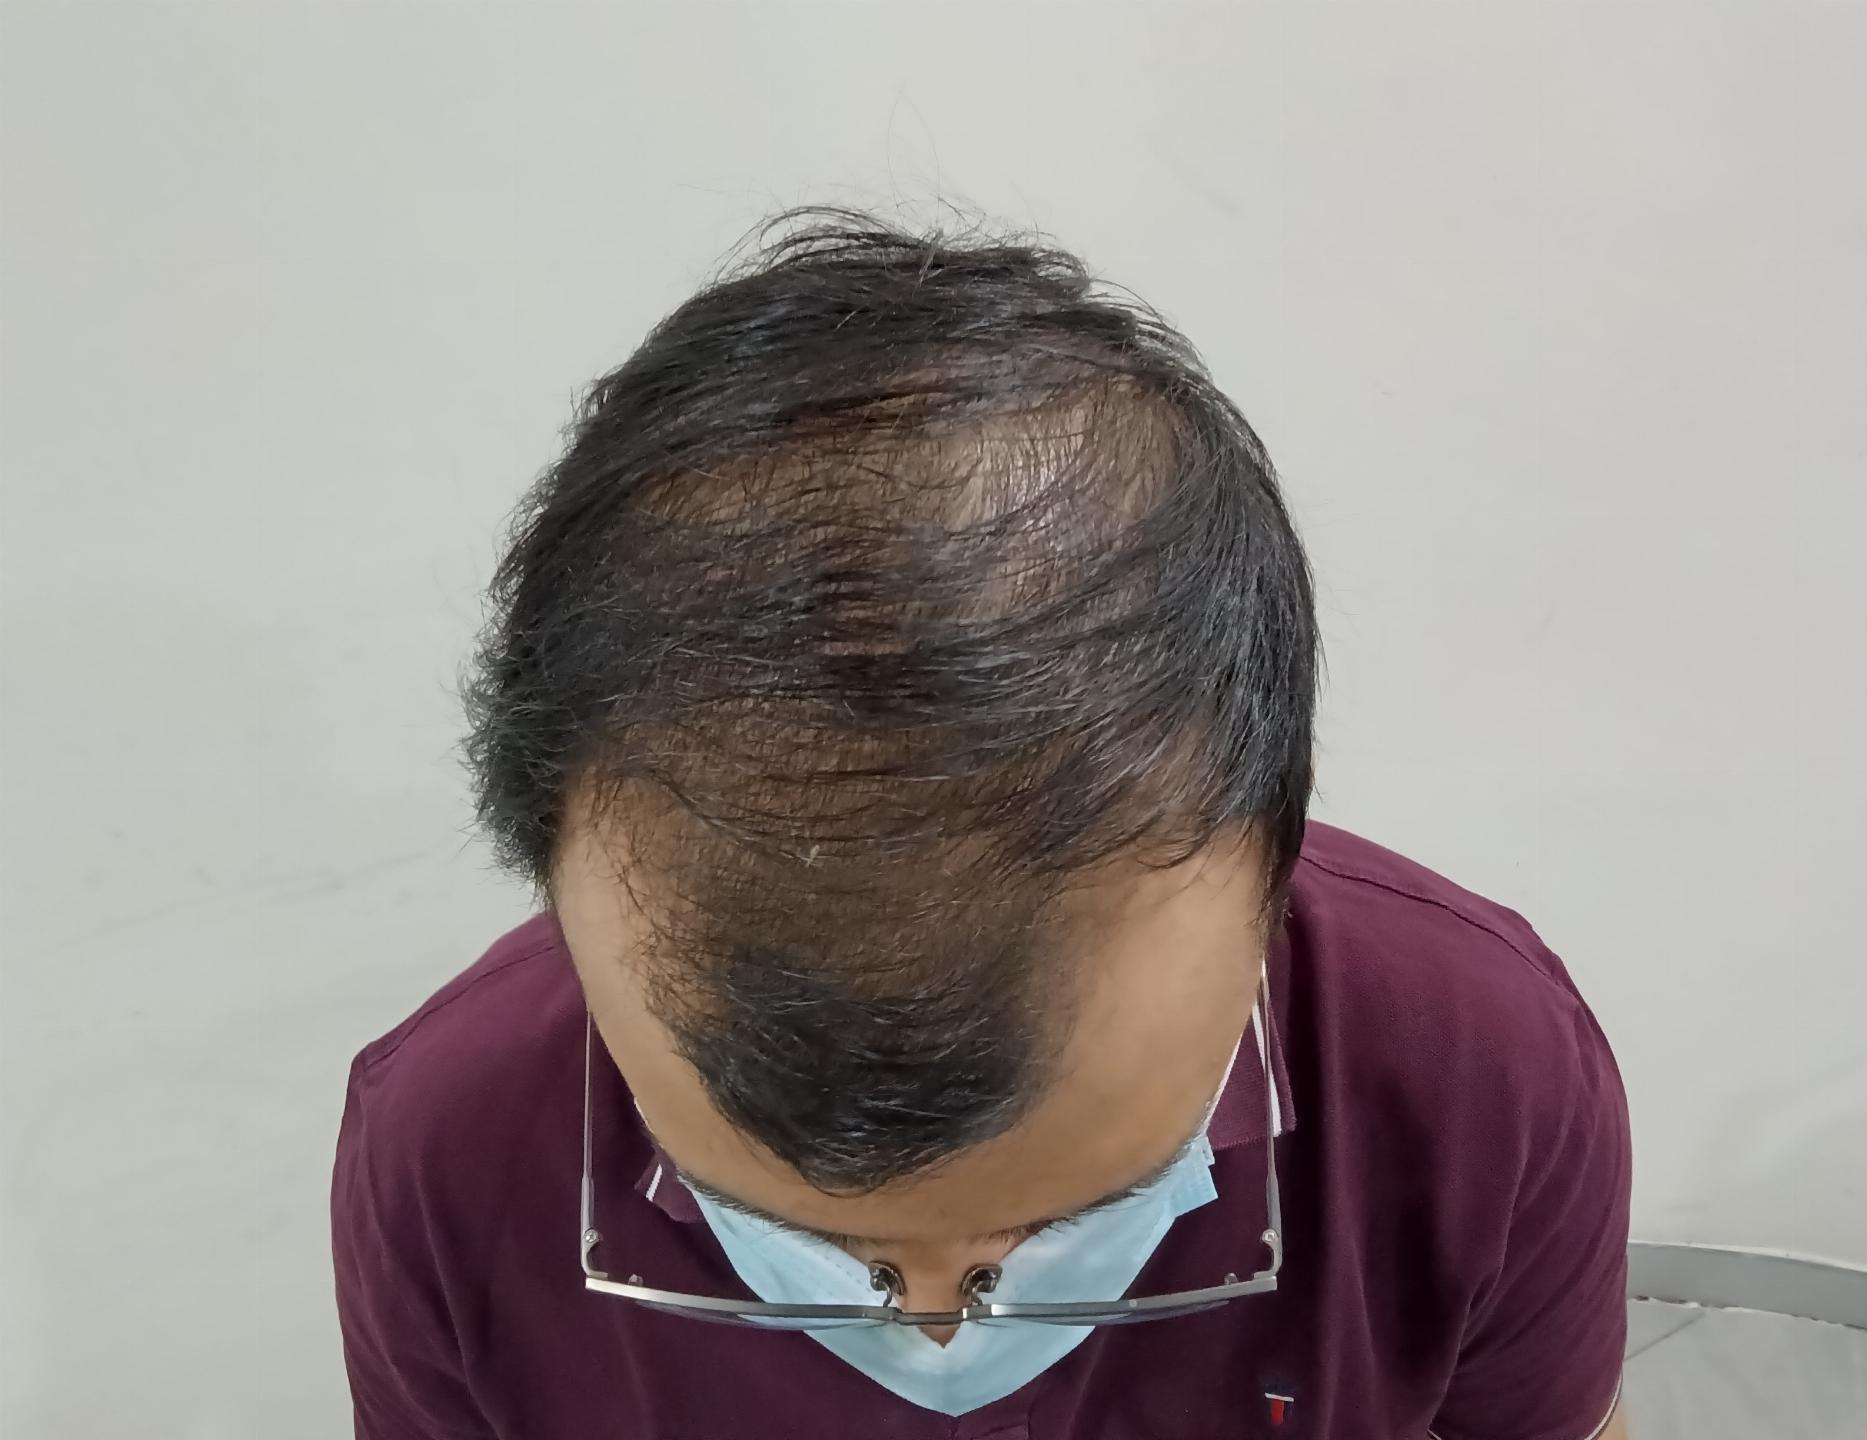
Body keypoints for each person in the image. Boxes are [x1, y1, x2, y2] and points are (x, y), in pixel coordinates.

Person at [331, 211, 1631, 1440]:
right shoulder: (447, 1159)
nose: (939, 1315)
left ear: (1274, 847)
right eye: (810, 1243)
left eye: (1070, 1219)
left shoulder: (1474, 1072)